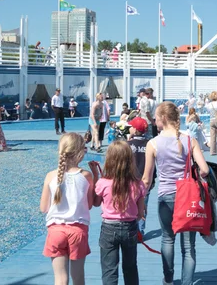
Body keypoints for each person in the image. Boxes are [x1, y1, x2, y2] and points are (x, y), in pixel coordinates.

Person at [142, 102, 209, 285]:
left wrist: (138, 200)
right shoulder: (189, 140)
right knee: (188, 247)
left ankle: (169, 280)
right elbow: (204, 170)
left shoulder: (153, 144)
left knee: (167, 238)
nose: (154, 120)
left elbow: (147, 180)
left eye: (156, 117)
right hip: (188, 198)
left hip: (166, 197)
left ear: (163, 118)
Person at [40, 133, 94, 285]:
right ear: (79, 152)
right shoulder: (86, 176)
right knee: (78, 278)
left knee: (60, 279)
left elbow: (44, 208)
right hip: (78, 230)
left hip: (56, 230)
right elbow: (89, 205)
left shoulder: (51, 176)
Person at [89, 141, 145, 285]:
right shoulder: (138, 183)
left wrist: (95, 175)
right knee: (131, 268)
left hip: (108, 228)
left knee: (109, 270)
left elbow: (95, 203)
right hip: (130, 228)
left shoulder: (103, 182)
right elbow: (140, 213)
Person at [125, 117, 154, 236]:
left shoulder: (127, 144)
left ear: (135, 129)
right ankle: (140, 231)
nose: (129, 128)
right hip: (146, 180)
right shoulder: (150, 144)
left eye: (131, 127)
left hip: (130, 181)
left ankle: (130, 228)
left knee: (129, 204)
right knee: (143, 206)